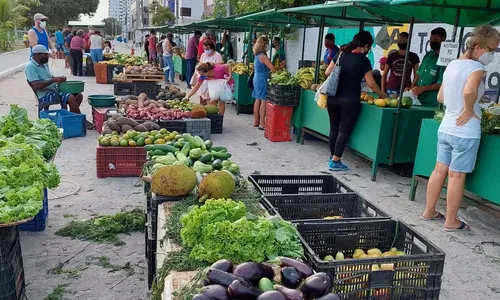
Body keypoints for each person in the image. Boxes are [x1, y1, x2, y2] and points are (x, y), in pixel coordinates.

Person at [421, 25, 500, 231]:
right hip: (465, 131)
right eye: (492, 49)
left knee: (439, 170)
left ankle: (429, 211)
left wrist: (458, 107)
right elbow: (469, 91)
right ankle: (451, 221)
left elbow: (440, 97)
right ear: (479, 47)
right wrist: (467, 109)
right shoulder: (477, 68)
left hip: (446, 126)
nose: (493, 54)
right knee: (456, 176)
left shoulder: (453, 64)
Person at [325, 31, 387, 171]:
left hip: (333, 97)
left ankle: (332, 156)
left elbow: (327, 72)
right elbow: (371, 83)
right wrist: (383, 94)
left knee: (334, 128)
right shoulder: (363, 61)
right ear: (365, 46)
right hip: (350, 100)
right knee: (344, 130)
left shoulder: (341, 53)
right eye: (369, 47)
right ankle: (336, 161)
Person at [25, 45, 83, 114]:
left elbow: (50, 77)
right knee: (70, 97)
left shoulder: (44, 65)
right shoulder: (31, 67)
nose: (47, 57)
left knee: (78, 95)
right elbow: (36, 85)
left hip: (54, 90)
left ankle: (72, 116)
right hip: (45, 94)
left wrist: (59, 78)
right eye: (45, 55)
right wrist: (54, 80)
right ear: (38, 55)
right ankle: (79, 119)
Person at [407, 27, 447, 107]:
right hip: (418, 98)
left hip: (432, 101)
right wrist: (412, 87)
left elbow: (441, 83)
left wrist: (422, 88)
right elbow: (419, 73)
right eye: (431, 39)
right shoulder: (428, 55)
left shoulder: (445, 60)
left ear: (443, 39)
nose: (432, 42)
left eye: (435, 39)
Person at [252, 36, 276, 130]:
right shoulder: (263, 56)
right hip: (262, 79)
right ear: (264, 44)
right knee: (263, 100)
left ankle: (256, 121)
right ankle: (262, 123)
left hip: (257, 78)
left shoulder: (257, 55)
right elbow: (272, 68)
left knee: (257, 100)